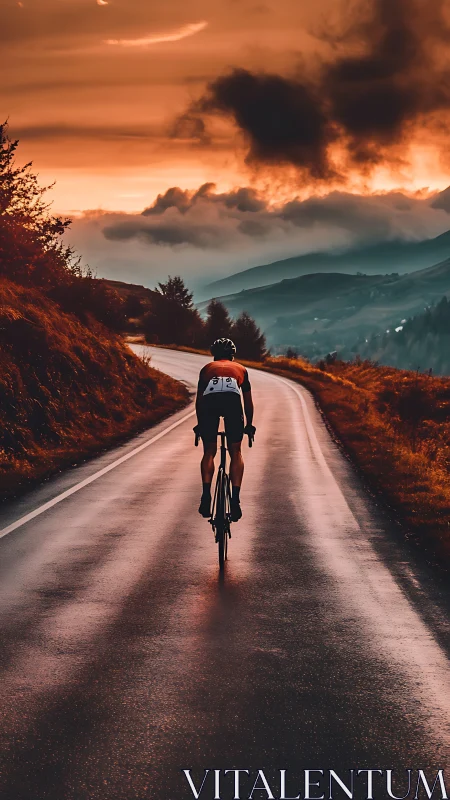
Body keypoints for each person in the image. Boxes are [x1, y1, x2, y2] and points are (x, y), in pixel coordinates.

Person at [195, 338, 255, 522]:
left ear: (214, 355)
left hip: (210, 403)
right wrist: (249, 425)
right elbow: (248, 403)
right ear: (232, 355)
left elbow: (199, 402)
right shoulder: (241, 369)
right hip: (232, 402)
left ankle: (206, 496)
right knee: (235, 451)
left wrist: (200, 424)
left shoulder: (206, 369)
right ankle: (235, 501)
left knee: (209, 451)